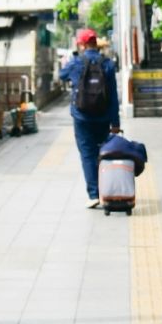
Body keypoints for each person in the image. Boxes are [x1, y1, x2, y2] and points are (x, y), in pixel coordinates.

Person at [60, 27, 121, 208]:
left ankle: (94, 195)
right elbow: (113, 96)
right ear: (96, 43)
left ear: (82, 44)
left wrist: (71, 62)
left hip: (82, 117)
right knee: (103, 153)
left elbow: (61, 75)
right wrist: (115, 123)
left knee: (87, 155)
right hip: (103, 117)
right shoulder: (107, 64)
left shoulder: (76, 62)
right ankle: (106, 191)